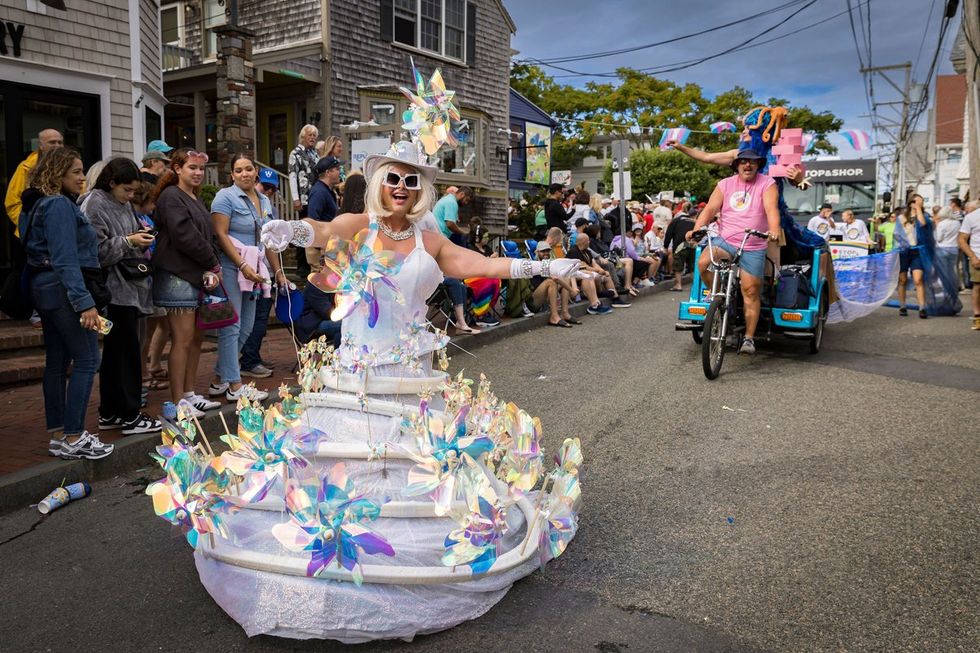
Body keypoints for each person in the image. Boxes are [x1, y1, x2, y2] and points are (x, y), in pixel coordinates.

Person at [21, 147, 114, 460]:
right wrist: (84, 303)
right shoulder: (59, 205)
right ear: (57, 174)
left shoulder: (37, 204)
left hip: (47, 290)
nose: (82, 178)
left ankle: (60, 434)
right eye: (75, 171)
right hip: (63, 290)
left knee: (57, 362)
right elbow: (64, 259)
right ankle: (74, 435)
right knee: (88, 360)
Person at [81, 158, 162, 435]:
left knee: (119, 353)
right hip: (111, 292)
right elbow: (93, 251)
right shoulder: (93, 203)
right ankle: (129, 415)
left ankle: (111, 412)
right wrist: (129, 241)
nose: (130, 197)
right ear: (111, 182)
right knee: (125, 353)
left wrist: (138, 237)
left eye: (133, 192)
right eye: (126, 190)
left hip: (130, 288)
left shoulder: (123, 203)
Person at [207, 153, 286, 403]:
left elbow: (269, 239)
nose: (244, 174)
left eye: (249, 169)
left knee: (248, 327)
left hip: (257, 269)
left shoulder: (264, 201)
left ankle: (219, 380)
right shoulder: (225, 197)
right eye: (239, 170)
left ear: (256, 172)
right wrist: (241, 264)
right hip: (232, 268)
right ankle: (235, 385)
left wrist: (278, 272)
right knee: (232, 325)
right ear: (232, 175)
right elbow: (219, 234)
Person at [687, 147, 780, 355]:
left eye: (752, 162)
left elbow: (771, 210)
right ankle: (718, 295)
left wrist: (773, 230)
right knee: (703, 263)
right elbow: (710, 209)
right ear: (736, 165)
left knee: (750, 291)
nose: (748, 165)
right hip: (726, 240)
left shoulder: (767, 184)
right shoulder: (725, 184)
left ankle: (748, 338)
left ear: (758, 165)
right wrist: (696, 230)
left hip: (753, 243)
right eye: (743, 161)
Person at [151, 148, 223, 416]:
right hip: (176, 275)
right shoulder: (171, 197)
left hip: (198, 275)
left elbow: (209, 235)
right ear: (177, 169)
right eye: (192, 167)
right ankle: (178, 400)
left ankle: (190, 393)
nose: (197, 173)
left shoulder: (193, 197)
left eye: (201, 169)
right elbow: (185, 237)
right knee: (181, 339)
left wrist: (214, 263)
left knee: (196, 337)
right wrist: (213, 262)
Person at [239, 167, 283, 378]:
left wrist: (278, 271)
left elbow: (271, 243)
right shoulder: (239, 203)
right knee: (252, 319)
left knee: (261, 318)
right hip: (247, 270)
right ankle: (248, 360)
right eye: (264, 186)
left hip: (265, 271)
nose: (268, 191)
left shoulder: (267, 206)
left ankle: (251, 356)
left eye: (272, 188)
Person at [131, 181, 171, 391]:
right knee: (144, 331)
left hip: (151, 276)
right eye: (152, 201)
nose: (154, 206)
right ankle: (142, 373)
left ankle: (148, 369)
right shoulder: (134, 219)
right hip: (139, 278)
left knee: (154, 327)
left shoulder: (146, 218)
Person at [5, 128, 64, 233]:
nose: (57, 146)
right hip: (33, 237)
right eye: (52, 142)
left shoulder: (69, 166)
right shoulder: (26, 168)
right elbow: (12, 202)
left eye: (60, 142)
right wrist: (30, 226)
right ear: (41, 146)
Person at [305, 155, 343, 272]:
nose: (339, 172)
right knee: (320, 285)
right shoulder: (319, 192)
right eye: (337, 169)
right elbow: (313, 221)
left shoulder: (327, 190)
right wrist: (321, 248)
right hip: (320, 250)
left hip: (329, 245)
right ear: (328, 172)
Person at [895, 196, 931, 319]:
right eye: (915, 201)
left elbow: (923, 224)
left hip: (918, 251)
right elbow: (897, 235)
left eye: (921, 201)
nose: (918, 203)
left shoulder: (924, 216)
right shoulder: (901, 217)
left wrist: (918, 210)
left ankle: (922, 308)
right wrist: (901, 246)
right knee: (902, 280)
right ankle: (902, 306)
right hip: (904, 251)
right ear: (910, 203)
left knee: (918, 279)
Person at [958, 201, 980, 330]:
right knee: (978, 287)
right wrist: (972, 257)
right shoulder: (972, 217)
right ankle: (978, 317)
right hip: (978, 256)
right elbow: (961, 239)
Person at [663, 209, 696, 291]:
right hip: (693, 244)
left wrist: (665, 247)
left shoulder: (675, 221)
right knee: (692, 266)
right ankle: (696, 286)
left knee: (678, 265)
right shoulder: (693, 221)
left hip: (680, 245)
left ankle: (678, 285)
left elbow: (668, 234)